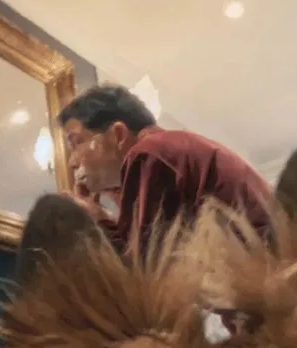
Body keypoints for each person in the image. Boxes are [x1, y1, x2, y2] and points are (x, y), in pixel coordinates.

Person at [57, 84, 273, 259]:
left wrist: (97, 220)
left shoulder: (149, 153)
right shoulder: (166, 148)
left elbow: (148, 274)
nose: (72, 162)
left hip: (264, 279)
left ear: (118, 135)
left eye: (76, 143)